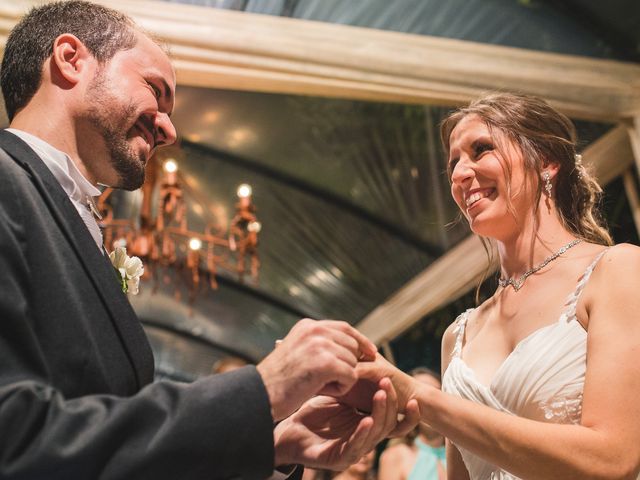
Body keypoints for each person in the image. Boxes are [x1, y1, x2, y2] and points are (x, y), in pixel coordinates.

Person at [0, 2, 419, 478]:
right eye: (155, 91)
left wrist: (271, 444)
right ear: (71, 59)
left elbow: (110, 441)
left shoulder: (74, 220)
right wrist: (261, 391)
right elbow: (14, 440)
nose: (169, 129)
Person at [350, 92, 640, 479]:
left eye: (481, 149)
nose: (458, 174)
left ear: (546, 162)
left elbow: (613, 459)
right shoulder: (459, 335)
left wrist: (421, 398)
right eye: (454, 164)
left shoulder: (617, 270)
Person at [378, 368, 445, 480]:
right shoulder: (394, 456)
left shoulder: (464, 456)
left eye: (436, 393)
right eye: (421, 397)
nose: (430, 404)